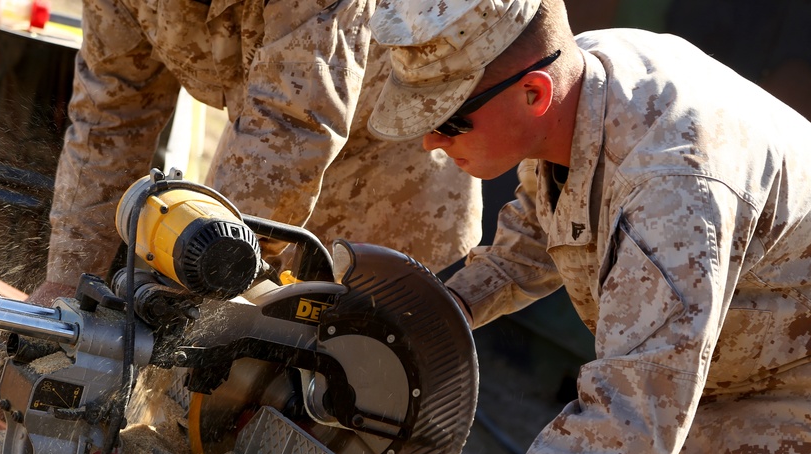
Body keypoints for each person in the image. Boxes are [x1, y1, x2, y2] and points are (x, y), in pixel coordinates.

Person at [318, 0, 811, 454]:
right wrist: (397, 321)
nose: (430, 143)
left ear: (532, 93)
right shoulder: (580, 80)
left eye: (447, 119)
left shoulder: (671, 188)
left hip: (805, 420)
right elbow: (529, 245)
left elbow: (632, 421)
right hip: (737, 373)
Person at [27, 0, 484, 306]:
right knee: (193, 390)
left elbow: (292, 128)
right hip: (261, 136)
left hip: (394, 168)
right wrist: (67, 281)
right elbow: (113, 113)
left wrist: (192, 290)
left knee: (344, 390)